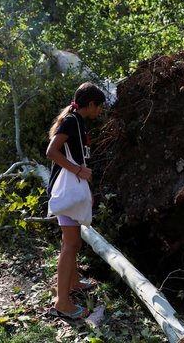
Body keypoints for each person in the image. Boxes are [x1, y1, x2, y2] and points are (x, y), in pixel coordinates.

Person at [46, 82, 105, 319]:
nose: (100, 111)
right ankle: (62, 302)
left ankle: (73, 283)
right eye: (99, 107)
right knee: (70, 245)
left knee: (73, 243)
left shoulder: (77, 123)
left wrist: (86, 187)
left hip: (75, 190)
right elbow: (51, 152)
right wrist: (79, 172)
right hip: (67, 189)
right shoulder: (72, 121)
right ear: (90, 104)